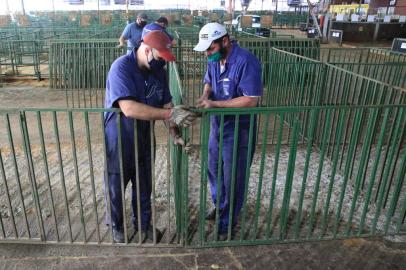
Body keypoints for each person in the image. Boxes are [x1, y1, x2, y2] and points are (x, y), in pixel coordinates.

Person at [105, 30, 197, 243]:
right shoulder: (121, 67)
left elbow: (166, 105)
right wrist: (170, 114)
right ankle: (117, 225)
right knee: (116, 184)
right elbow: (128, 108)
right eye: (159, 58)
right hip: (120, 136)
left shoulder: (159, 72)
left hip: (145, 135)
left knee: (144, 183)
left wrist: (175, 134)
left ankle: (143, 224)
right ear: (146, 50)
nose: (161, 63)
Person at [194, 23, 263, 240]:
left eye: (210, 48)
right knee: (214, 169)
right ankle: (220, 205)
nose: (207, 53)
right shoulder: (214, 60)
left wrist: (215, 105)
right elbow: (208, 82)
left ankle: (227, 222)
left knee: (233, 177)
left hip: (239, 128)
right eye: (205, 49)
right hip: (218, 126)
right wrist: (206, 96)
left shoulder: (246, 61)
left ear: (225, 41)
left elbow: (251, 100)